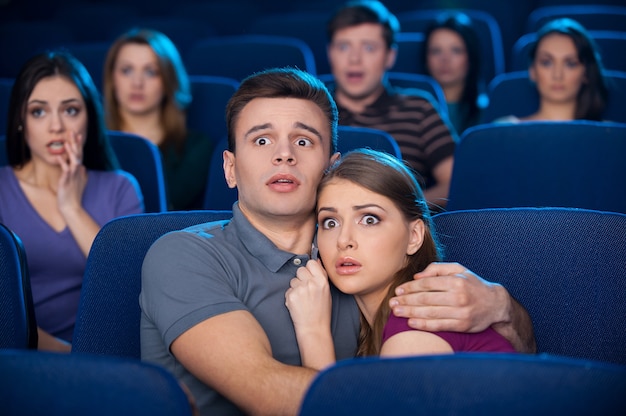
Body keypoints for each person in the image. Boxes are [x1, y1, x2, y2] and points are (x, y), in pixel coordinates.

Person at [140, 67, 534, 416]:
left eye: (304, 141)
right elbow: (268, 396)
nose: (283, 155)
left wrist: (503, 309)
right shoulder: (182, 255)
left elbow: (506, 361)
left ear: (331, 168)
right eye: (261, 141)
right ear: (230, 168)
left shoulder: (358, 266)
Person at [285, 149, 515, 369]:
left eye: (369, 219)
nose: (343, 240)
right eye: (330, 222)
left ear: (414, 237)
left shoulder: (416, 326)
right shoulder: (384, 324)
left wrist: (312, 331)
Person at [0, 51, 144, 351]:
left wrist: (71, 207)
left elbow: (128, 288)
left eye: (70, 110)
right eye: (38, 112)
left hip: (108, 352)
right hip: (19, 356)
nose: (56, 127)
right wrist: (69, 357)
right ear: (20, 122)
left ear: (89, 119)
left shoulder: (121, 188)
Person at [326, 0, 456, 211]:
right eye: (343, 46)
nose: (354, 59)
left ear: (390, 56)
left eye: (368, 47)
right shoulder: (313, 110)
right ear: (330, 52)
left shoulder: (419, 109)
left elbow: (454, 183)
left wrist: (398, 209)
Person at [103, 28, 215, 210]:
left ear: (168, 80)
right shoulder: (90, 141)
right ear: (112, 79)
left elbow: (160, 210)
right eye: (126, 70)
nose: (137, 83)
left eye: (150, 72)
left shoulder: (195, 146)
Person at [495, 18, 608, 123]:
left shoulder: (611, 133)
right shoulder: (504, 130)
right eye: (546, 63)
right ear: (533, 70)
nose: (557, 75)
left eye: (570, 64)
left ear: (586, 73)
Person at [423, 12, 483, 135]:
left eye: (456, 50)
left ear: (471, 56)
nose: (445, 59)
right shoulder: (412, 110)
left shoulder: (489, 112)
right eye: (436, 51)